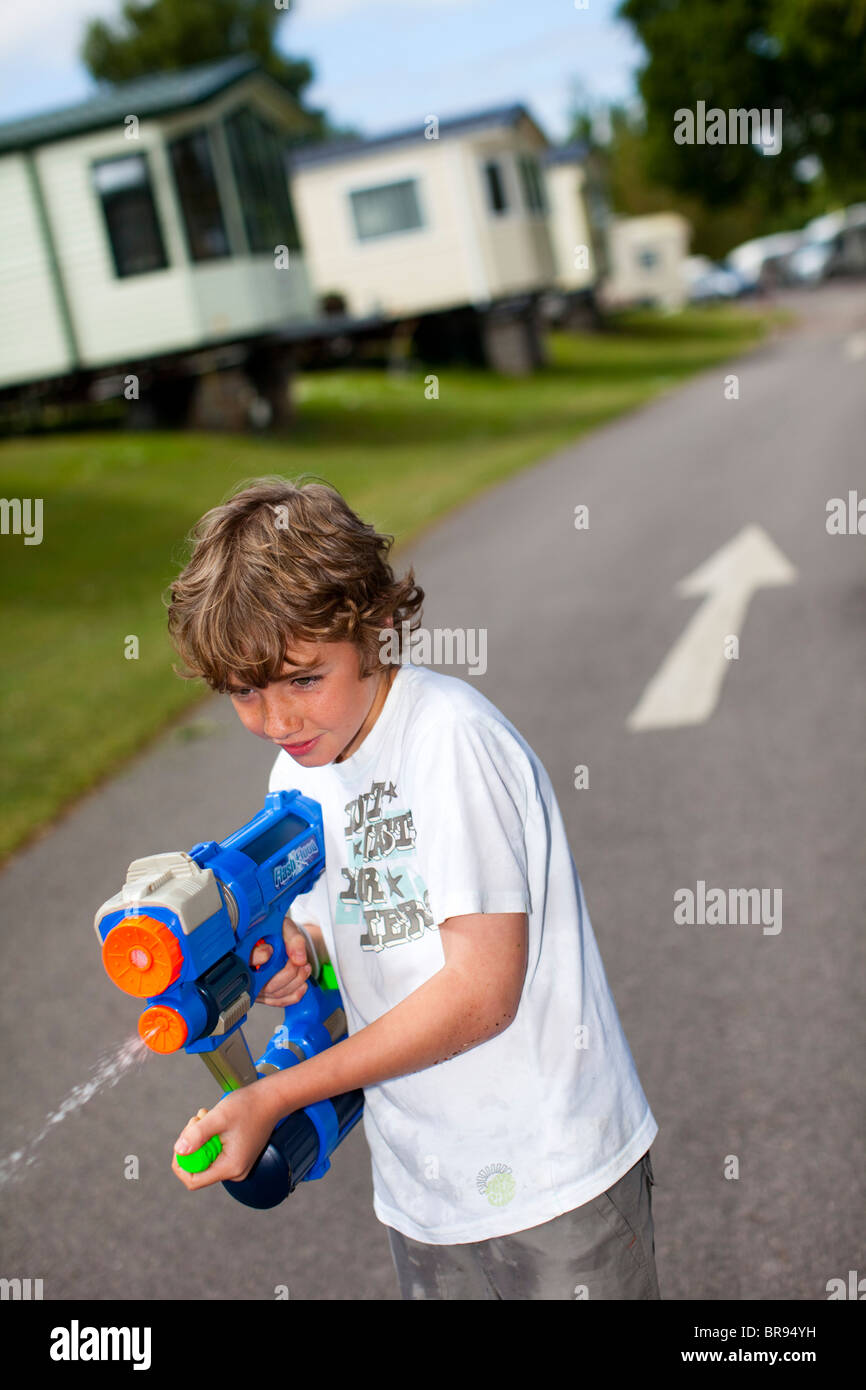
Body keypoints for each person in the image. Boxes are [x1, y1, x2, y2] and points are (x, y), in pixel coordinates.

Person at [166, 475, 660, 1300]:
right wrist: (302, 954)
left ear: (375, 627)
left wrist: (276, 1095)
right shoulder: (306, 768)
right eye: (246, 692)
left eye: (301, 679)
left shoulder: (447, 742)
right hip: (426, 1193)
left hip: (552, 1176)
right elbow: (341, 938)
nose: (278, 721)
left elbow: (480, 992)